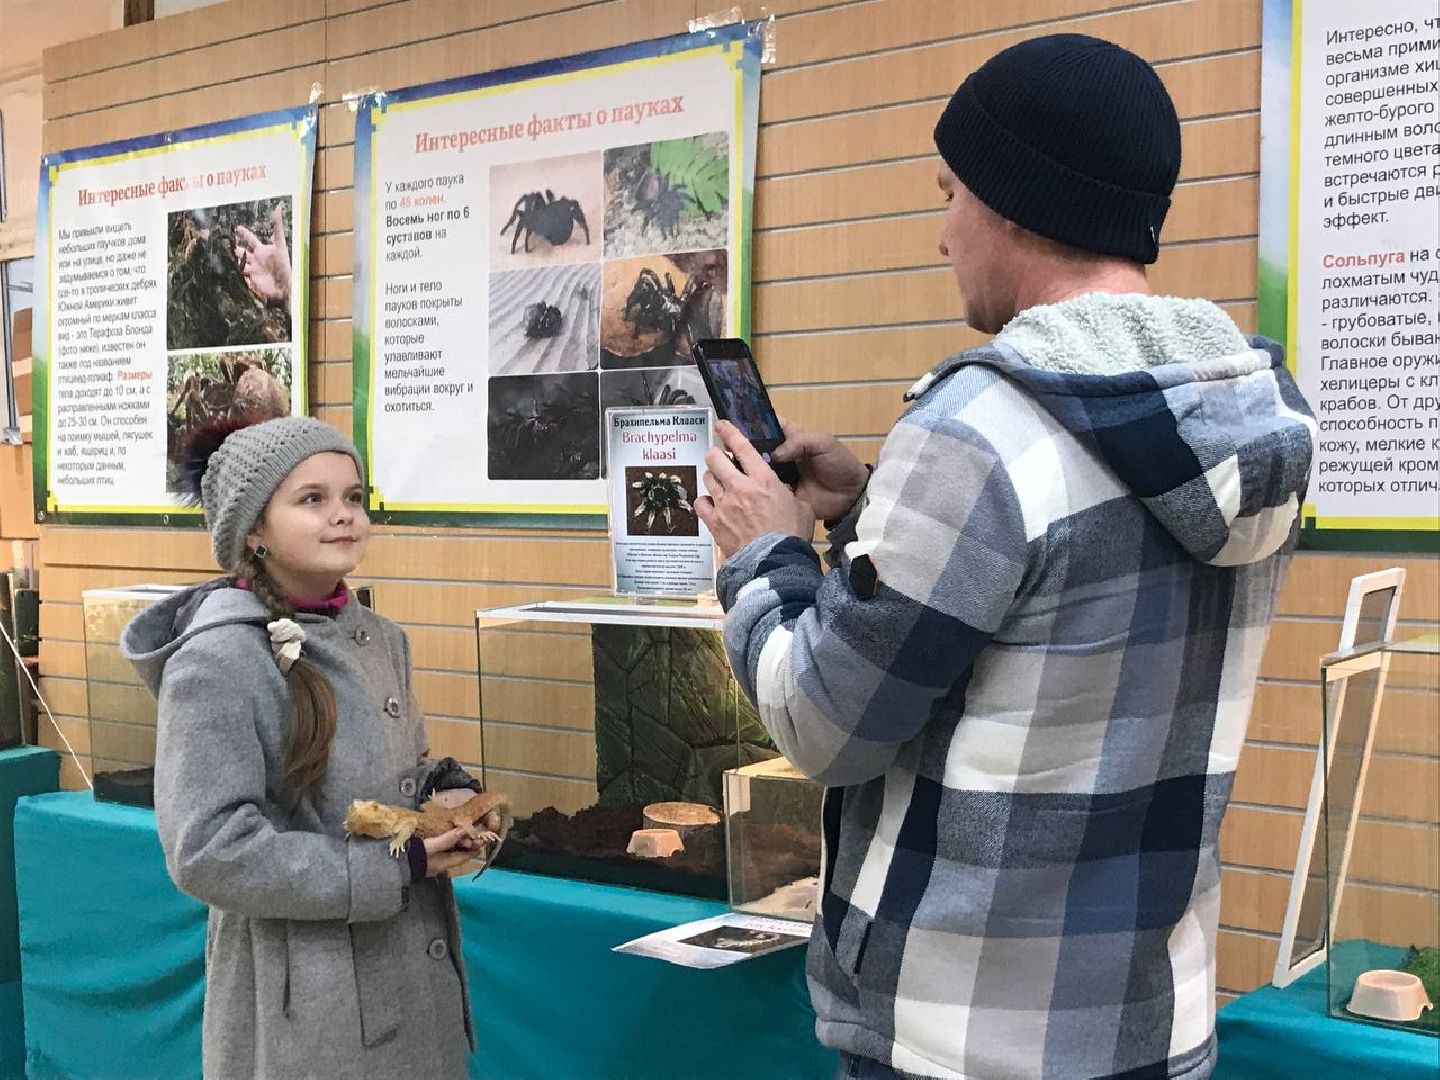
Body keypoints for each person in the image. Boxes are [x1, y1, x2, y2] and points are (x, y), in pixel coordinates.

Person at [695, 33, 1316, 1080]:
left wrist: (765, 553)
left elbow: (821, 723)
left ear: (1015, 201)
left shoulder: (979, 425)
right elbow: (1051, 617)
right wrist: (861, 514)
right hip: (1149, 1024)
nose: (943, 235)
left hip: (961, 1039)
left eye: (951, 194)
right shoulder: (1246, 415)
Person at [122, 415, 488, 1077]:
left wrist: (447, 793)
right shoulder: (218, 661)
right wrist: (394, 867)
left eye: (353, 497)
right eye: (311, 499)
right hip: (308, 1014)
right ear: (253, 529)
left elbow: (399, 771)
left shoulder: (382, 638)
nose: (343, 515)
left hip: (411, 979)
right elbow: (208, 852)